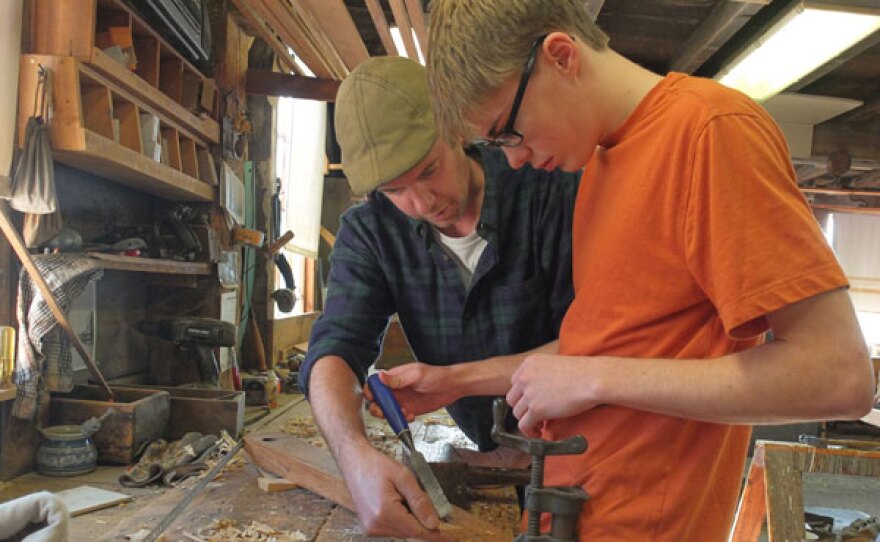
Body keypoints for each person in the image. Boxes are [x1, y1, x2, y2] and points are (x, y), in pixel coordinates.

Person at [423, 1, 875, 541]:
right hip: (573, 511)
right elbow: (618, 345)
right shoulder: (601, 164)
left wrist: (593, 377)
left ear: (561, 56)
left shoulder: (710, 131)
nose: (512, 160)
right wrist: (451, 382)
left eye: (507, 133)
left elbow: (839, 376)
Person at [299, 56, 580, 540]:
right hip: (489, 452)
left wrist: (457, 380)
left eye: (429, 170)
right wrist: (354, 456)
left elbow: (598, 343)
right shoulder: (372, 232)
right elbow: (334, 348)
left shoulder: (549, 189)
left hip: (581, 449)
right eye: (395, 190)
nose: (423, 203)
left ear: (454, 128)